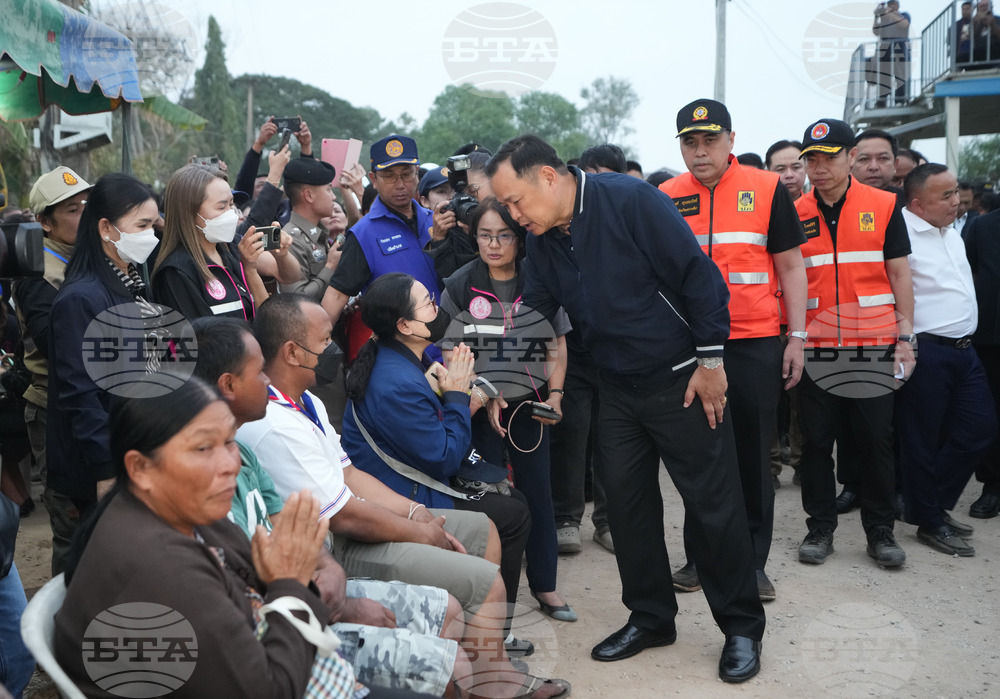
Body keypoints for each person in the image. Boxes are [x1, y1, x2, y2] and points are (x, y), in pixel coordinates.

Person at [488, 134, 765, 683]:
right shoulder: (543, 238)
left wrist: (710, 363)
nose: (515, 217)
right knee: (629, 508)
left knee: (713, 505)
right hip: (614, 387)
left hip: (681, 379)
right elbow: (536, 312)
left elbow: (698, 277)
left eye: (516, 201)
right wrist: (491, 375)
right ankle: (652, 616)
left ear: (547, 177)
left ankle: (740, 626)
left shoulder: (629, 201)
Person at [238, 293, 570, 699]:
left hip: (363, 515)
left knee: (485, 529)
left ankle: (489, 661)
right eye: (326, 341)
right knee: (485, 578)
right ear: (292, 351)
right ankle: (491, 681)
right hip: (336, 548)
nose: (336, 349)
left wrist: (415, 513)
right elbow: (348, 514)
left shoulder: (306, 400)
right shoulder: (276, 423)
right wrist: (458, 398)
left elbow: (349, 475)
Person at [52, 376, 397, 698]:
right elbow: (268, 689)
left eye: (230, 441)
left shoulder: (181, 512)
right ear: (140, 468)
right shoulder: (158, 569)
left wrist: (293, 577)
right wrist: (290, 582)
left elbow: (259, 580)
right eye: (203, 449)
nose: (231, 464)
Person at [191, 316, 471, 697]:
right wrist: (342, 606)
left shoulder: (244, 450)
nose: (268, 380)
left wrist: (412, 516)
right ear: (228, 385)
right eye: (258, 373)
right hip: (286, 625)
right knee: (449, 665)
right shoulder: (217, 476)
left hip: (314, 588)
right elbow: (256, 597)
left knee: (450, 610)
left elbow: (307, 533)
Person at [660, 99, 808, 602]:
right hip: (687, 347)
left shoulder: (766, 188)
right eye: (689, 142)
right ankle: (699, 556)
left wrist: (798, 337)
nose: (700, 152)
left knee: (750, 453)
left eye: (710, 140)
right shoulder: (665, 195)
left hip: (753, 342)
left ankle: (752, 561)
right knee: (699, 456)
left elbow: (790, 266)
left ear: (731, 140)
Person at [438, 199, 576, 620]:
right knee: (488, 499)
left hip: (530, 406)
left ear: (519, 239)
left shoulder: (540, 280)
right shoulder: (460, 284)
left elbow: (556, 343)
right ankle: (492, 593)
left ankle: (546, 588)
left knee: (537, 494)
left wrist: (555, 396)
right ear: (472, 236)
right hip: (478, 409)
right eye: (484, 235)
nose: (493, 245)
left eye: (503, 236)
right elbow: (448, 351)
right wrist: (478, 390)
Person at [792, 118, 915, 568]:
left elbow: (900, 274)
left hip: (873, 344)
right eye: (812, 160)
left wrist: (906, 337)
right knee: (817, 445)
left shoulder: (884, 205)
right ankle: (819, 529)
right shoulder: (794, 212)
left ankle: (881, 531)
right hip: (816, 346)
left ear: (849, 157)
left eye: (829, 158)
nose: (819, 168)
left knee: (874, 442)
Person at [45, 173, 163, 575]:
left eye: (153, 225)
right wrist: (104, 471)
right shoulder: (81, 298)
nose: (151, 236)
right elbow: (81, 394)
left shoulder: (130, 283)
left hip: (129, 451)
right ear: (106, 228)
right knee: (89, 574)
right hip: (96, 466)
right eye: (142, 226)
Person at [896, 163, 995, 556]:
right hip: (927, 351)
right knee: (921, 440)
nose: (958, 201)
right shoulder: (900, 236)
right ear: (918, 204)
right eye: (947, 196)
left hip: (964, 350)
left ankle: (927, 504)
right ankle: (930, 520)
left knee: (979, 430)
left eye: (957, 193)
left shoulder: (952, 231)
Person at [13, 167, 91, 520]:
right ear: (45, 222)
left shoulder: (88, 255)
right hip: (54, 409)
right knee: (71, 524)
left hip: (92, 401)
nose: (84, 215)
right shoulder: (36, 272)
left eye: (87, 206)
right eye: (72, 210)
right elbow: (53, 343)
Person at [323, 135, 440, 326]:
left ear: (417, 174)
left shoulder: (435, 221)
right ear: (373, 179)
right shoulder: (363, 234)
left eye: (406, 174)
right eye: (389, 176)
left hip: (450, 346)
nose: (400, 184)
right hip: (399, 349)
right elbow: (337, 295)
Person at [152, 165, 295, 321]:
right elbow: (203, 338)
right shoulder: (177, 271)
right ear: (189, 213)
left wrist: (256, 266)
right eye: (221, 207)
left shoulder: (232, 248)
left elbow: (267, 320)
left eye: (231, 204)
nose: (231, 213)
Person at [960, 186, 1000, 518]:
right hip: (991, 338)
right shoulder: (984, 227)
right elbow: (967, 275)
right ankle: (992, 485)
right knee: (990, 415)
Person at [278, 157, 342, 303]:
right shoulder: (290, 240)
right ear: (309, 195)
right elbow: (296, 300)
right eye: (328, 189)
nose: (333, 197)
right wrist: (330, 267)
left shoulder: (320, 232)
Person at [872, 0, 911, 105]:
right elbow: (876, 32)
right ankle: (881, 101)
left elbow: (904, 25)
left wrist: (890, 13)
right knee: (884, 76)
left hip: (900, 48)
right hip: (886, 49)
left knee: (900, 76)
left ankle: (900, 100)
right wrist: (877, 16)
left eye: (893, 4)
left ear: (897, 6)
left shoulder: (903, 15)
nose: (891, 6)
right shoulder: (885, 20)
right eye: (889, 5)